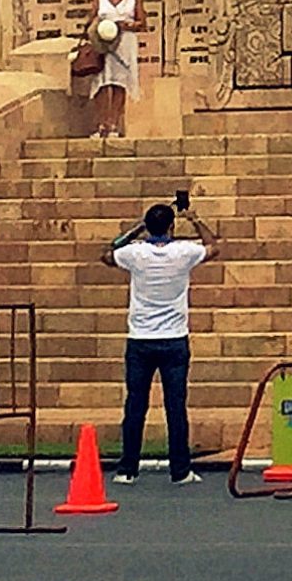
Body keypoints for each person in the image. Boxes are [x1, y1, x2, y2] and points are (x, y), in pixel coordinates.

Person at [102, 199, 216, 484]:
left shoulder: (134, 253)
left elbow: (107, 253)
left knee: (135, 406)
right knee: (175, 407)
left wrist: (135, 230)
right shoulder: (183, 251)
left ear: (148, 227)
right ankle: (180, 470)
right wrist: (195, 219)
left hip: (140, 339)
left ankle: (128, 469)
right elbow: (214, 246)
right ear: (171, 226)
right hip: (174, 339)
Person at [87, 0, 146, 141]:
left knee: (119, 84)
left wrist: (126, 25)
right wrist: (102, 26)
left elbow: (142, 23)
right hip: (104, 43)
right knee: (103, 84)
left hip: (124, 43)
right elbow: (91, 20)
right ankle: (101, 123)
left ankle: (114, 123)